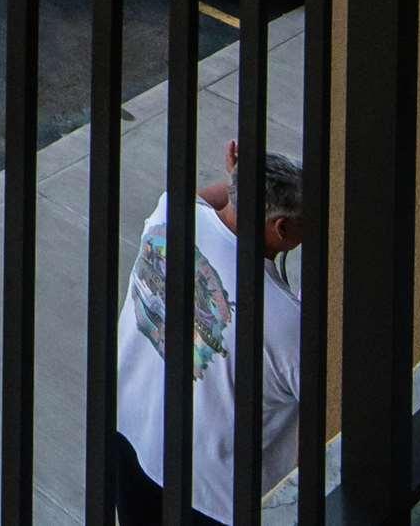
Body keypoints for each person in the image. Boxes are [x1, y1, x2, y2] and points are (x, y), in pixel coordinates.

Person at [112, 138, 306, 525]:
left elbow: (211, 202)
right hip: (210, 496)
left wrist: (239, 180)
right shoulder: (285, 320)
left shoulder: (170, 215)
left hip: (131, 439)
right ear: (281, 228)